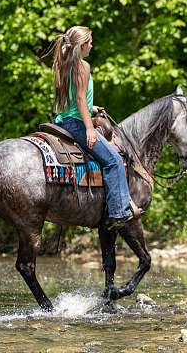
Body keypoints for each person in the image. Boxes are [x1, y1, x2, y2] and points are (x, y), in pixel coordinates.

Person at [51, 26, 133, 230]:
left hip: (64, 119)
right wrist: (89, 128)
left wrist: (93, 108)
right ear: (82, 45)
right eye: (90, 42)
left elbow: (76, 99)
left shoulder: (64, 63)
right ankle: (119, 213)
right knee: (114, 160)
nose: (92, 45)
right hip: (77, 123)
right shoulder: (82, 66)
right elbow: (79, 98)